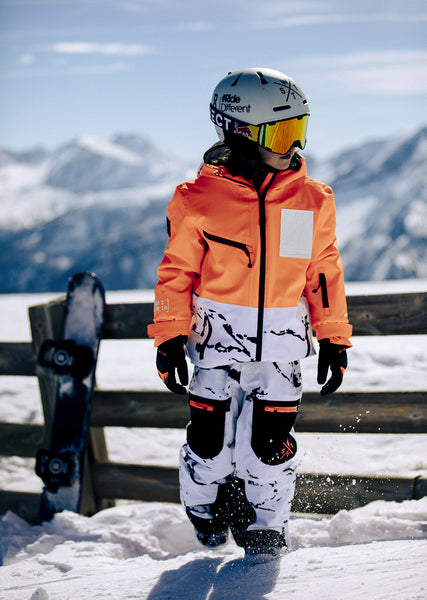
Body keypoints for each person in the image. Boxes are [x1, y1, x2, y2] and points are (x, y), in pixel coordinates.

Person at [147, 67, 352, 561]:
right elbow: (176, 273)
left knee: (270, 447)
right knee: (209, 444)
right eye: (282, 134)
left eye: (299, 130)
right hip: (215, 346)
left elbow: (322, 272)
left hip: (281, 349)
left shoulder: (311, 200)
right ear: (240, 133)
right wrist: (169, 337)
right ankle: (205, 509)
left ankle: (266, 527)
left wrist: (333, 337)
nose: (294, 146)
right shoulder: (198, 200)